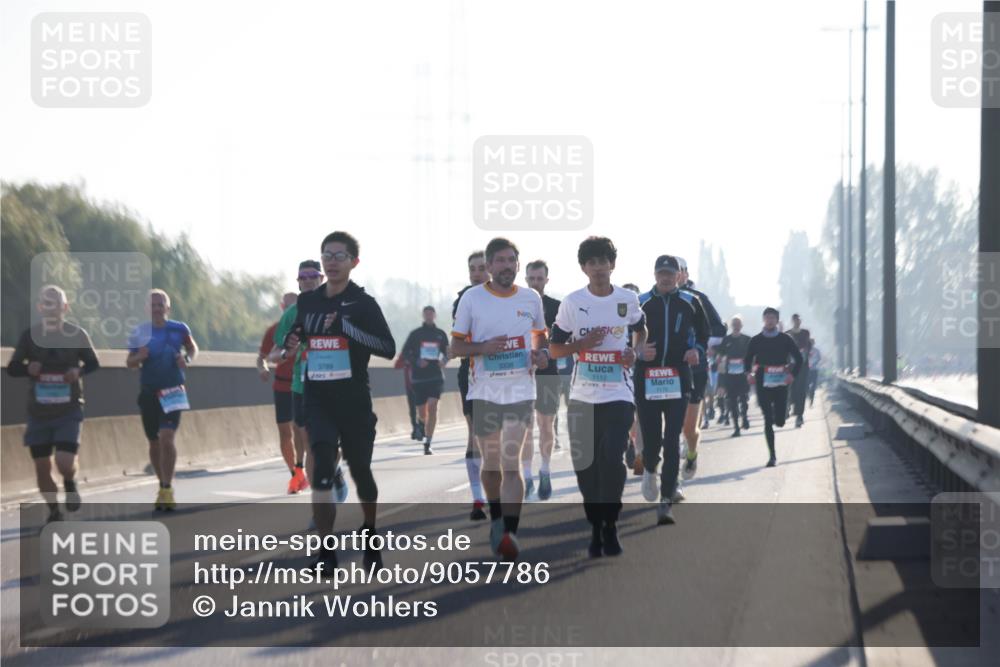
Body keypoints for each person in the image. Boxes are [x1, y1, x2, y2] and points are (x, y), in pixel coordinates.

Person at [283, 232, 396, 573]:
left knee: (361, 470)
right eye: (326, 256)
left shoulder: (363, 304)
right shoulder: (308, 302)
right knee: (321, 466)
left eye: (339, 256)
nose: (332, 261)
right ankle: (326, 551)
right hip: (318, 396)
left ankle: (370, 534)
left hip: (354, 400)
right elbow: (303, 332)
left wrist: (348, 330)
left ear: (353, 262)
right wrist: (295, 339)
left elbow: (387, 348)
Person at [451, 237, 547, 560]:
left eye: (511, 261)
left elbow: (540, 337)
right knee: (491, 467)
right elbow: (456, 348)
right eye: (500, 261)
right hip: (485, 393)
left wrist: (541, 355)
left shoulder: (531, 298)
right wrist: (482, 348)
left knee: (511, 463)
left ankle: (510, 532)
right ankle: (496, 517)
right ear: (489, 266)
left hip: (521, 391)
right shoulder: (472, 299)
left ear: (518, 265)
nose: (506, 266)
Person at [549, 237, 644, 556]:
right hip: (582, 395)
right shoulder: (572, 303)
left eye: (604, 261)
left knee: (611, 458)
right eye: (592, 262)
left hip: (618, 392)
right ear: (583, 268)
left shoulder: (627, 298)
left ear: (612, 265)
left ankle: (611, 524)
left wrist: (636, 351)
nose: (599, 267)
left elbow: (640, 328)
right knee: (585, 467)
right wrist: (582, 345)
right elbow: (554, 348)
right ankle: (595, 525)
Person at [7, 285, 100, 522]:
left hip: (69, 409)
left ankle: (70, 481)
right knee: (41, 466)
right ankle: (54, 511)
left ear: (64, 307)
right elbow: (12, 368)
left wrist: (76, 372)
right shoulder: (30, 336)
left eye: (56, 303)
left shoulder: (77, 334)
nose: (51, 307)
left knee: (64, 461)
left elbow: (93, 363)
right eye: (46, 303)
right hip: (39, 411)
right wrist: (28, 368)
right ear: (40, 307)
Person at [271, 261, 349, 502]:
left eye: (311, 276)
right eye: (302, 277)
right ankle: (321, 501)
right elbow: (273, 354)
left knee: (330, 444)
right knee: (312, 444)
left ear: (321, 278)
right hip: (302, 386)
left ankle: (334, 471)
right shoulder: (291, 314)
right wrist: (286, 353)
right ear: (298, 282)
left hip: (334, 386)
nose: (306, 281)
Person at [635, 256, 700, 525]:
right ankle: (650, 467)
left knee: (672, 438)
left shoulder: (690, 302)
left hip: (678, 378)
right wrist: (638, 351)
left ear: (678, 276)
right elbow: (622, 336)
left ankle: (666, 500)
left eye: (670, 273)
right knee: (651, 440)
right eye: (661, 273)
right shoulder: (639, 303)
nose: (665, 278)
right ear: (654, 274)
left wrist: (697, 350)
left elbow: (708, 332)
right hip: (647, 378)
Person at [126, 289, 198, 511]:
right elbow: (129, 362)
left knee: (167, 437)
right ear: (147, 308)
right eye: (153, 305)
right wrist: (139, 356)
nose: (157, 309)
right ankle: (162, 484)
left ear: (168, 308)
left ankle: (167, 488)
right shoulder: (139, 332)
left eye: (161, 305)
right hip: (149, 391)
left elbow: (192, 348)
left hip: (173, 389)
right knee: (154, 442)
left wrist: (186, 358)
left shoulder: (179, 328)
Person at [675, 257, 727, 481]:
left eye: (676, 271)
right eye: (665, 272)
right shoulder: (653, 300)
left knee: (689, 428)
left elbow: (718, 329)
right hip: (665, 371)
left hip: (694, 369)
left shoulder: (698, 299)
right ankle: (669, 475)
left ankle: (692, 453)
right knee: (669, 426)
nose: (671, 276)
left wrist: (699, 346)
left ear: (685, 274)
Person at [452, 251, 490, 520]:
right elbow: (459, 344)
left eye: (481, 268)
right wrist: (483, 346)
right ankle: (477, 497)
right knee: (475, 432)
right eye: (472, 268)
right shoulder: (464, 299)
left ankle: (500, 489)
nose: (476, 273)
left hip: (506, 377)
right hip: (472, 373)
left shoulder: (510, 296)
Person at [258, 292, 307, 494]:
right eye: (287, 306)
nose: (290, 310)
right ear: (282, 307)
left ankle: (300, 467)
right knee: (284, 432)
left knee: (299, 429)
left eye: (293, 306)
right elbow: (262, 357)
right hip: (281, 385)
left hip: (301, 385)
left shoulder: (307, 326)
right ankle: (294, 474)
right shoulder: (274, 331)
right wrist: (262, 368)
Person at [524, 259, 564, 501]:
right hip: (521, 375)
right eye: (532, 278)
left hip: (548, 375)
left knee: (546, 426)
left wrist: (548, 353)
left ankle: (545, 469)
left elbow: (564, 343)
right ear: (526, 279)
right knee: (525, 429)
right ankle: (527, 477)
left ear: (546, 280)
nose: (535, 283)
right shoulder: (514, 305)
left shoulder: (557, 307)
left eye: (540, 279)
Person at [744, 307, 804, 467]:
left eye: (773, 318)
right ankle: (772, 456)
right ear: (763, 319)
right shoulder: (756, 340)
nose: (770, 320)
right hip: (763, 379)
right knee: (767, 419)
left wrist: (793, 375)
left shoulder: (786, 339)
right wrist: (748, 373)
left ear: (777, 320)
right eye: (767, 317)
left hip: (781, 381)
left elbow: (799, 359)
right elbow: (747, 359)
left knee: (780, 421)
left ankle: (781, 415)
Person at [401, 306, 449, 455]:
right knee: (422, 411)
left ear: (435, 315)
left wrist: (444, 361)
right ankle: (421, 423)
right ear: (423, 315)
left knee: (433, 406)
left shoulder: (440, 334)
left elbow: (449, 352)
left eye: (431, 313)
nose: (429, 316)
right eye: (426, 313)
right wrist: (416, 361)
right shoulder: (416, 334)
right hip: (419, 378)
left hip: (435, 376)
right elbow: (405, 353)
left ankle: (428, 442)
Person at [717, 316, 752, 437]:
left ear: (741, 326)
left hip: (743, 375)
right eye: (734, 324)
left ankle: (745, 417)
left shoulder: (747, 339)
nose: (736, 326)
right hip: (730, 376)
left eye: (738, 324)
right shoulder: (726, 340)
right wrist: (721, 381)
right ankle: (736, 427)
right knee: (732, 402)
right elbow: (720, 357)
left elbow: (752, 357)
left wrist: (750, 371)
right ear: (732, 326)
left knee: (743, 399)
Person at [621, 283, 643, 473]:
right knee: (627, 413)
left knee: (639, 413)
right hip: (619, 373)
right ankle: (629, 442)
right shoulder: (614, 317)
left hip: (641, 372)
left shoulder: (643, 320)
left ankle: (636, 446)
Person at [787, 314, 812, 428]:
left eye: (799, 320)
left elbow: (808, 347)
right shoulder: (787, 334)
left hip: (802, 367)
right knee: (792, 389)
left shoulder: (805, 333)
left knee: (801, 390)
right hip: (790, 367)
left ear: (800, 321)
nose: (797, 322)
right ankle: (791, 406)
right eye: (795, 320)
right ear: (792, 321)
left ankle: (799, 415)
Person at [807, 340, 821, 407]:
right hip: (807, 371)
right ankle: (808, 397)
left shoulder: (816, 351)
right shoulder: (805, 350)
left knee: (813, 386)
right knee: (807, 385)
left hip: (814, 370)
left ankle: (811, 399)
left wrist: (813, 364)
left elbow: (818, 359)